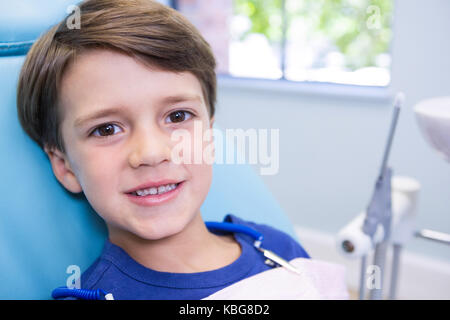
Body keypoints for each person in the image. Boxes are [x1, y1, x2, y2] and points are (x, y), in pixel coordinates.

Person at [16, 0, 310, 299]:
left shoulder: (278, 250)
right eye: (106, 129)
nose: (152, 153)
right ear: (65, 166)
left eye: (177, 116)